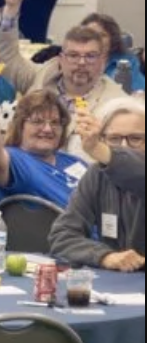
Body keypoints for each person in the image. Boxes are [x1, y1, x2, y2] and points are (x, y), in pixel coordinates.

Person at [0, 0, 126, 113]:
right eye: (73, 55)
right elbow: (6, 57)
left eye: (90, 56)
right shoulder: (40, 76)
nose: (81, 62)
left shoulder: (116, 102)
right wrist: (11, 8)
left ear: (103, 62)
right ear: (61, 59)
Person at [48, 99, 146, 270]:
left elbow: (137, 173)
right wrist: (105, 256)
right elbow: (63, 236)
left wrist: (100, 151)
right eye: (114, 139)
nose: (123, 146)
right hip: (117, 285)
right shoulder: (97, 174)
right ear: (103, 139)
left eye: (135, 138)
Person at [0, 74, 85, 211]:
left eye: (55, 123)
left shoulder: (77, 163)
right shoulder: (14, 161)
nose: (47, 129)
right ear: (20, 126)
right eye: (37, 121)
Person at [80, 12, 140, 94]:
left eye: (102, 35)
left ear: (112, 39)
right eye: (91, 34)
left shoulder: (127, 60)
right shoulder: (75, 60)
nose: (96, 39)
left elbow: (138, 90)